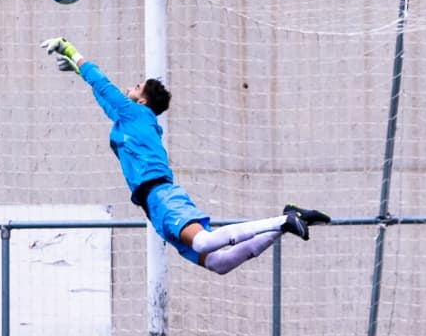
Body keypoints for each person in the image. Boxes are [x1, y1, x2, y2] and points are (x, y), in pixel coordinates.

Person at [40, 37, 330, 274]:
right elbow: (103, 97)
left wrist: (71, 50)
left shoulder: (135, 113)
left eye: (136, 86)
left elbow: (103, 84)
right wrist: (78, 72)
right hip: (154, 206)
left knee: (204, 243)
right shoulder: (127, 121)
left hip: (162, 195)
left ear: (141, 101)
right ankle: (286, 219)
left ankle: (282, 221)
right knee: (220, 263)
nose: (130, 86)